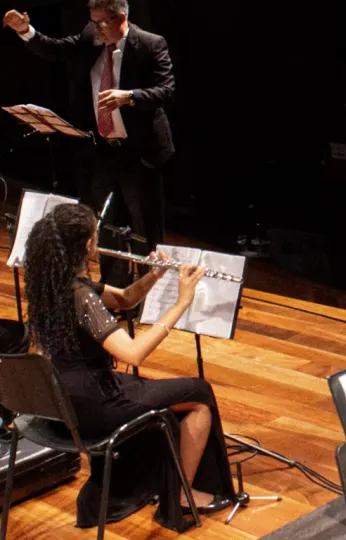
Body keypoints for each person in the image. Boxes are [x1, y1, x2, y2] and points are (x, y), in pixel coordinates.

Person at [22, 203, 235, 531]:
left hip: (65, 396)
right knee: (199, 393)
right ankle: (181, 494)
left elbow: (123, 299)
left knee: (156, 389)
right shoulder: (81, 297)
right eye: (96, 234)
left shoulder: (54, 281)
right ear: (89, 245)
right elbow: (134, 354)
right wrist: (182, 301)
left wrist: (153, 275)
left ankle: (155, 477)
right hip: (94, 403)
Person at [4, 0, 174, 290]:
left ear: (121, 17)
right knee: (104, 225)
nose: (95, 28)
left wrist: (129, 96)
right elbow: (56, 49)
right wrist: (26, 31)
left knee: (145, 228)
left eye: (101, 23)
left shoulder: (149, 44)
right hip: (102, 150)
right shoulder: (90, 37)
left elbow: (165, 90)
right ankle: (114, 290)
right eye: (92, 21)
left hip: (139, 151)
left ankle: (152, 294)